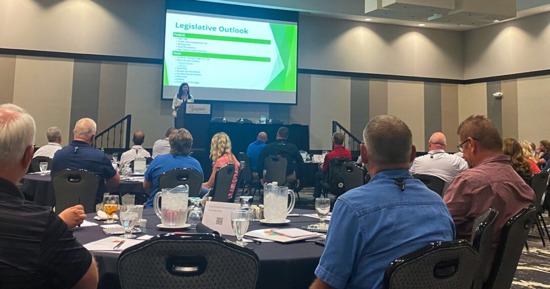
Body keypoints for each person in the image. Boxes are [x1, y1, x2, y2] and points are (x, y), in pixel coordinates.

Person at [310, 115, 455, 289]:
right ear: (413, 154)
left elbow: (327, 285)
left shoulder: (351, 206)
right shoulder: (439, 205)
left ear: (363, 154)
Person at [0, 104, 98, 289]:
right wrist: (57, 228)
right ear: (29, 156)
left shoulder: (61, 155)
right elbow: (88, 282)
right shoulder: (41, 224)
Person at [444, 115, 535, 246]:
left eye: (462, 148)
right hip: (501, 265)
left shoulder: (468, 182)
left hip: (464, 263)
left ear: (471, 144)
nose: (463, 155)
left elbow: (439, 225)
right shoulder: (523, 187)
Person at [51, 118, 120, 204]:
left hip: (62, 209)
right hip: (92, 210)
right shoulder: (100, 157)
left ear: (74, 133)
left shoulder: (58, 155)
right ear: (93, 137)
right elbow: (115, 182)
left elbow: (53, 179)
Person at [143, 128, 203, 208]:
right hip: (184, 212)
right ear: (190, 145)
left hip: (156, 210)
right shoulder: (196, 165)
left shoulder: (158, 161)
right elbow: (197, 191)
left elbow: (146, 186)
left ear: (171, 144)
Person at [201, 132, 240, 200]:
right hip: (230, 194)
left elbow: (209, 185)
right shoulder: (233, 158)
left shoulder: (220, 161)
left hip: (218, 195)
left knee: (194, 189)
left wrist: (196, 185)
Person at [313, 132, 352, 198]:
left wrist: (320, 166)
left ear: (333, 141)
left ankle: (316, 197)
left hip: (331, 180)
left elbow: (324, 169)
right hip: (344, 179)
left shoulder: (329, 155)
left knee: (318, 175)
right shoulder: (348, 153)